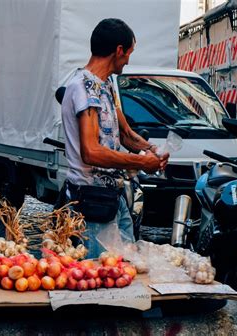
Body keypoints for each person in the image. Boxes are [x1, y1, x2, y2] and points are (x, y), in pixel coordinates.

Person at [61, 18, 169, 259]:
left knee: (125, 267)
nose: (129, 60)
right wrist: (141, 163)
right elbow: (91, 152)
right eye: (129, 52)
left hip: (114, 197)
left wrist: (153, 150)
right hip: (90, 200)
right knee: (100, 277)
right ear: (119, 50)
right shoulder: (82, 87)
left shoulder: (106, 85)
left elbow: (126, 135)